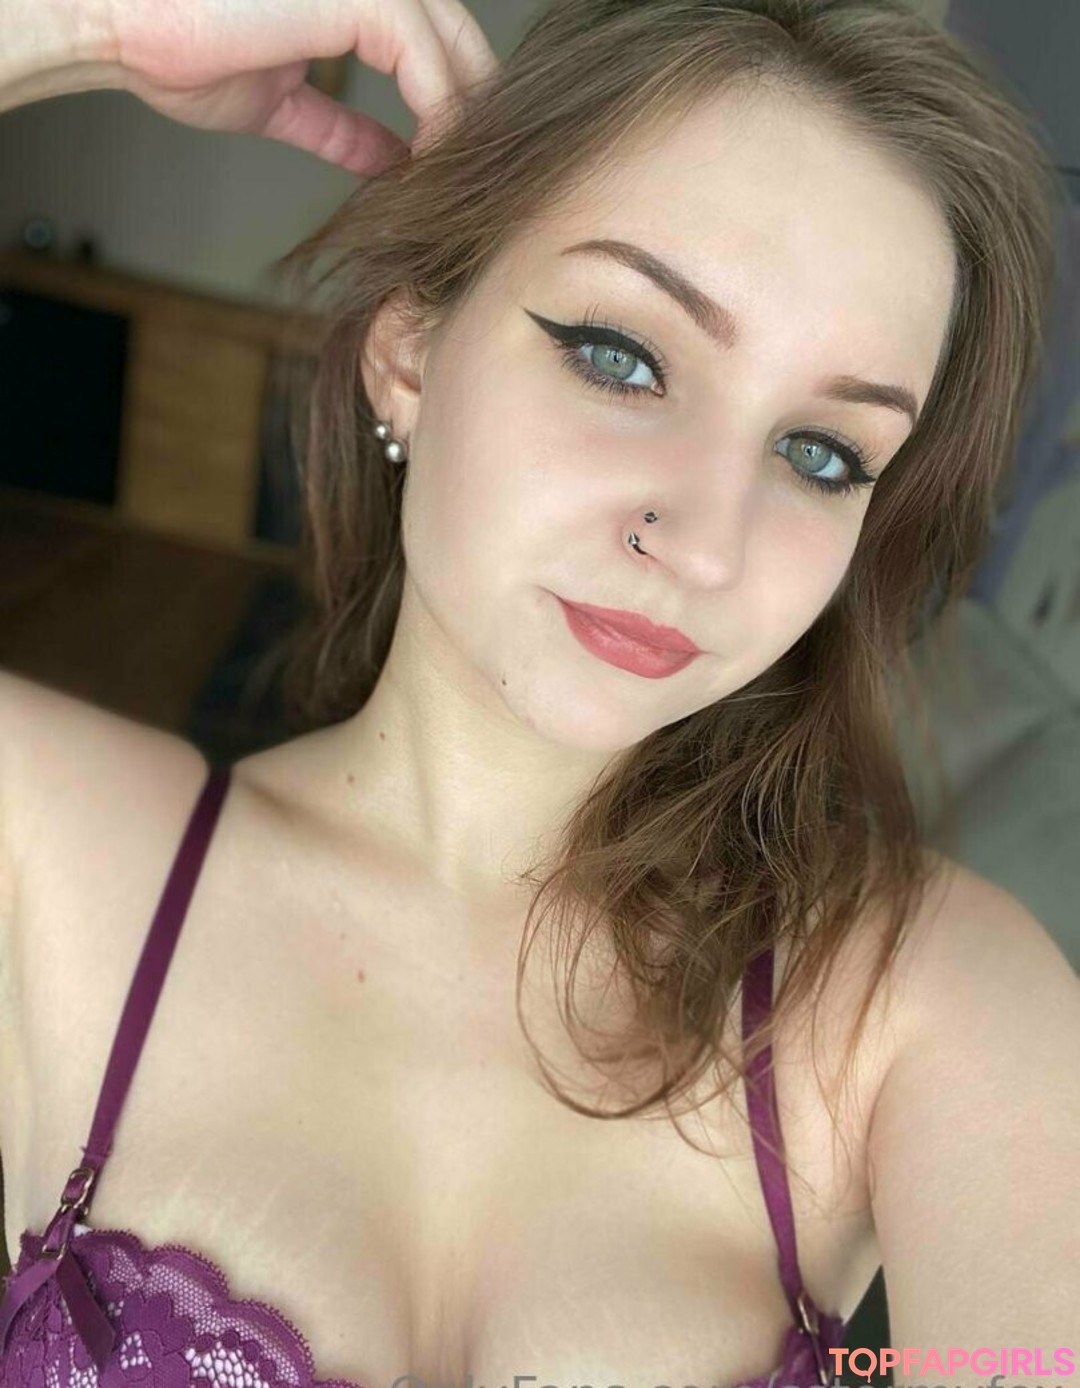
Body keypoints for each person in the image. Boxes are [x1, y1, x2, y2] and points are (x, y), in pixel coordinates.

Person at [0, 2, 1078, 1387]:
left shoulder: (928, 1003)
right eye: (623, 356)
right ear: (410, 352)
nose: (706, 541)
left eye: (820, 452)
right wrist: (77, 23)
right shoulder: (49, 848)